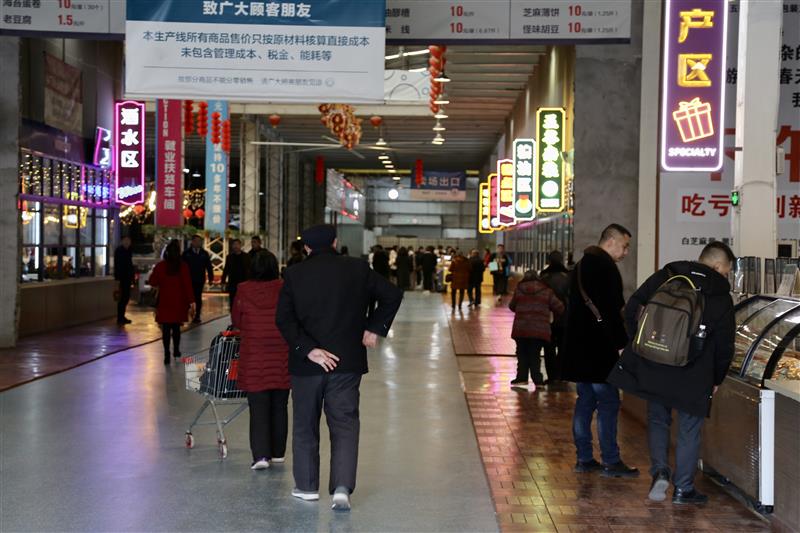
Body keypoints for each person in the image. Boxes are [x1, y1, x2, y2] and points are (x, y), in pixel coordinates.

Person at [276, 224, 403, 511]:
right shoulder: (358, 268)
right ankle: (342, 488)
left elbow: (284, 319)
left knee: (305, 425)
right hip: (346, 363)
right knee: (344, 424)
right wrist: (374, 328)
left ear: (306, 247)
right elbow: (392, 294)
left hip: (307, 366)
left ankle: (307, 487)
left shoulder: (294, 274)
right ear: (334, 242)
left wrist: (309, 350)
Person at [608, 242, 736, 504]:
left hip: (656, 362)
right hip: (696, 371)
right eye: (726, 271)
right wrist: (717, 378)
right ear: (716, 266)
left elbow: (631, 309)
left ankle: (660, 472)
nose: (726, 276)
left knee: (658, 419)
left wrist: (639, 344)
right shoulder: (720, 293)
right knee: (689, 428)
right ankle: (683, 489)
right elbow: (725, 344)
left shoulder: (668, 274)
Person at [561, 224, 638, 478]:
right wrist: (621, 343)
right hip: (599, 349)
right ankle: (611, 460)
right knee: (609, 402)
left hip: (578, 347)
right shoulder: (606, 268)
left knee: (585, 401)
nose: (626, 252)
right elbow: (612, 312)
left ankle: (584, 458)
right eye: (625, 246)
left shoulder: (581, 265)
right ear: (611, 241)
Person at [231, 250, 290, 471]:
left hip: (254, 355)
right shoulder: (284, 288)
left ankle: (261, 456)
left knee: (258, 408)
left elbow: (237, 320)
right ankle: (278, 453)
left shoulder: (243, 289)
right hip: (282, 354)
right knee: (280, 406)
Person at [509, 269, 565, 387]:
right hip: (539, 329)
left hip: (521, 328)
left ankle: (521, 378)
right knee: (535, 354)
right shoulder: (546, 291)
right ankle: (538, 380)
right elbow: (559, 307)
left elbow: (512, 306)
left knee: (522, 353)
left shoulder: (519, 289)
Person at [148, 240, 196, 365]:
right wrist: (192, 301)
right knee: (176, 327)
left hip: (164, 301)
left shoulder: (160, 266)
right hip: (179, 302)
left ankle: (166, 354)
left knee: (165, 329)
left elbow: (152, 281)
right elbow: (187, 285)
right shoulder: (183, 266)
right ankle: (176, 350)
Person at [540, 251, 570, 384]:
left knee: (549, 348)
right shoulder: (568, 276)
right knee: (563, 347)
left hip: (547, 317)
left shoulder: (543, 276)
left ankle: (551, 376)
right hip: (565, 317)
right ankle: (561, 374)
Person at [182, 235, 214, 324]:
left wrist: (211, 278)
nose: (198, 243)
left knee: (198, 298)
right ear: (192, 242)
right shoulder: (186, 253)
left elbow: (209, 266)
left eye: (200, 241)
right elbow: (182, 266)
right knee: (187, 298)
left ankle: (197, 315)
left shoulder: (204, 253)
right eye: (196, 241)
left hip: (199, 279)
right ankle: (186, 314)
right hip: (188, 280)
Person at [221, 238, 250, 309]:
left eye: (237, 244)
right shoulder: (229, 257)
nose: (235, 246)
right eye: (234, 244)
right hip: (232, 283)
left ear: (240, 245)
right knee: (233, 301)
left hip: (244, 282)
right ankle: (233, 313)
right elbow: (226, 270)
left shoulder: (247, 256)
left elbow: (250, 269)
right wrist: (223, 281)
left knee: (244, 300)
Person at [113, 236, 134, 326]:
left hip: (127, 278)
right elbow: (119, 266)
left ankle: (122, 316)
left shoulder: (128, 251)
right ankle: (120, 317)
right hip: (122, 278)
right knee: (122, 298)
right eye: (125, 240)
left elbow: (129, 264)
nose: (127, 242)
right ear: (122, 241)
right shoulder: (119, 251)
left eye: (128, 240)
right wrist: (118, 278)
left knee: (126, 297)